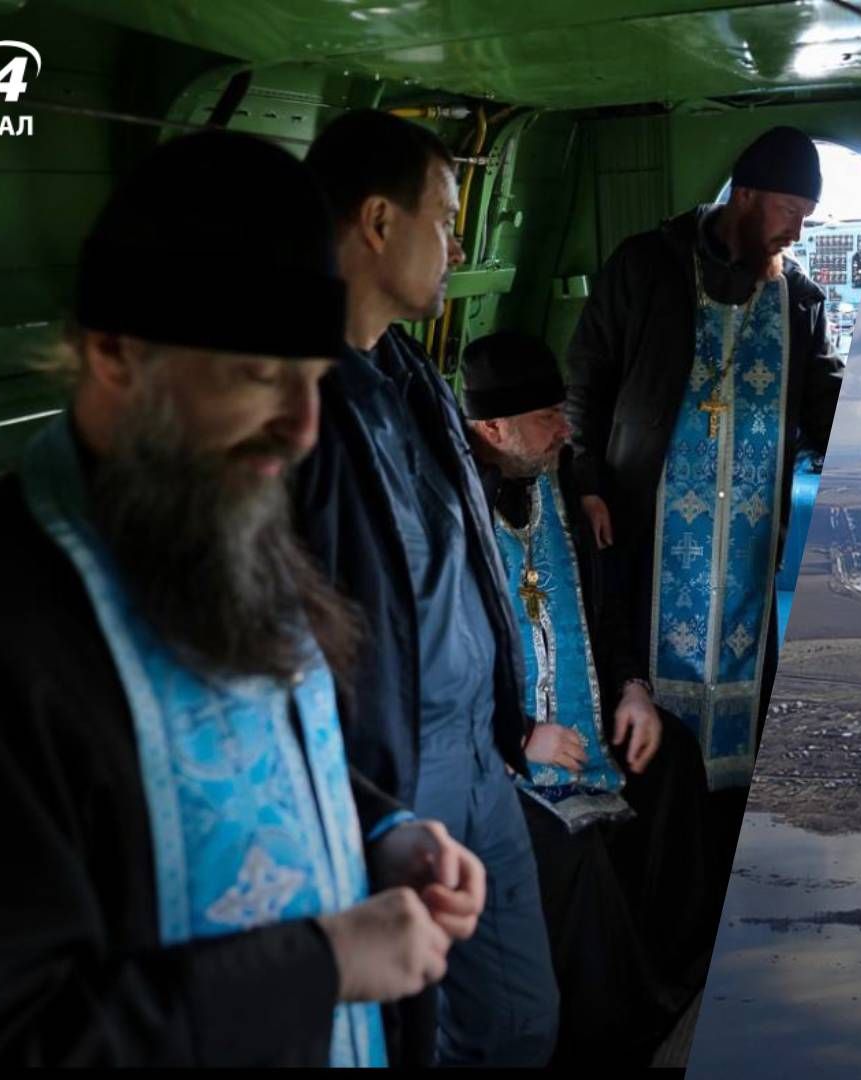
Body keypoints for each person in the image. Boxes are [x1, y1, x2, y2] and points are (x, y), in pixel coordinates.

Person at [0, 131, 484, 1067]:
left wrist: (382, 834)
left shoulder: (217, 507)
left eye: (316, 377)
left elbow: (265, 752)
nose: (303, 429)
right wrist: (320, 966)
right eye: (259, 376)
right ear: (118, 354)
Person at [295, 109, 557, 1066]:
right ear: (375, 222)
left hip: (481, 747)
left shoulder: (412, 373)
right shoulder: (301, 402)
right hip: (399, 766)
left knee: (523, 1019)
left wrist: (511, 717)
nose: (455, 248)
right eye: (444, 221)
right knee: (413, 1034)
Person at [563, 125, 845, 880]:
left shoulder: (798, 300)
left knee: (748, 698)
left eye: (808, 216)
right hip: (649, 530)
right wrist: (586, 479)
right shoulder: (646, 267)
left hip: (747, 553)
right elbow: (586, 378)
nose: (796, 230)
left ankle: (723, 855)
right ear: (744, 196)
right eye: (788, 210)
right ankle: (648, 847)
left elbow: (822, 400)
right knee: (640, 672)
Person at [460, 331, 723, 1061]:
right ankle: (611, 1036)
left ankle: (675, 967)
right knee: (568, 850)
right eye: (548, 416)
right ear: (491, 429)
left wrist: (634, 689)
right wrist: (514, 738)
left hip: (582, 714)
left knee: (671, 756)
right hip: (491, 747)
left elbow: (604, 610)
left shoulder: (562, 481)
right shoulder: (449, 514)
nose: (565, 429)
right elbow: (440, 660)